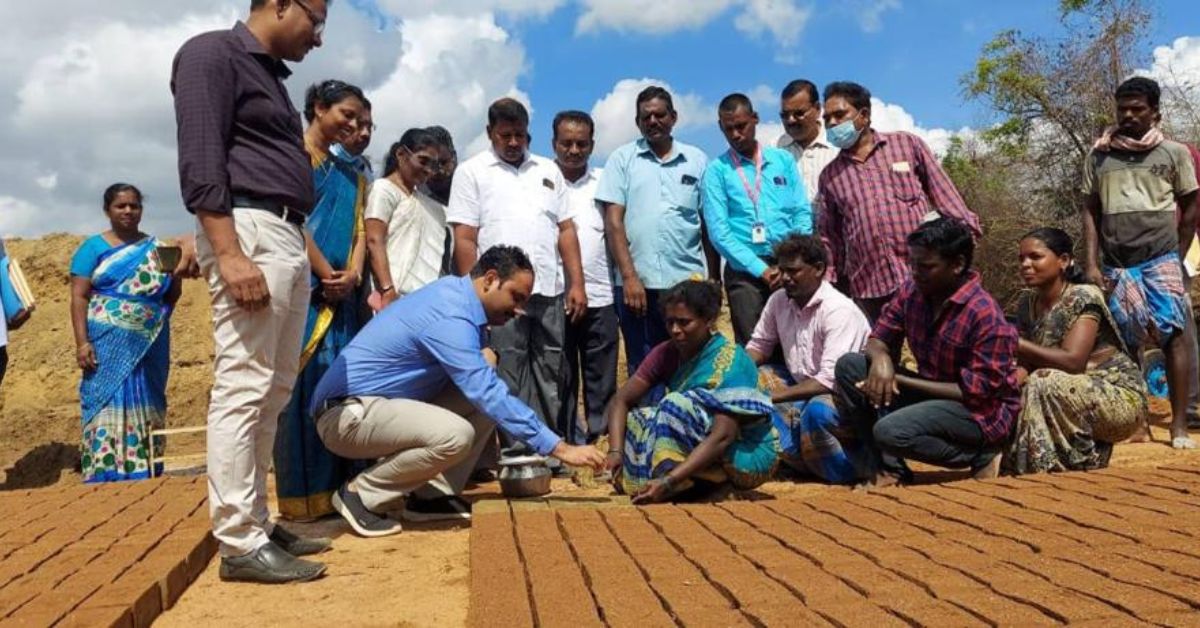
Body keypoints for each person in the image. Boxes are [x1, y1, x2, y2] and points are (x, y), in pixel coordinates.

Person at [172, 0, 332, 583]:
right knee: (245, 382)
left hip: (284, 233)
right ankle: (238, 538)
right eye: (314, 20)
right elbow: (202, 156)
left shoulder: (270, 77)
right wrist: (230, 250)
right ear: (281, 3)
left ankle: (258, 521)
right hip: (249, 230)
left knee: (274, 385)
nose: (318, 37)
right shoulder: (212, 53)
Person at [310, 246, 605, 536]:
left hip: (377, 408)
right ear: (490, 279)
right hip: (346, 415)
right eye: (515, 297)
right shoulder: (451, 312)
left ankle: (429, 494)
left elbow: (487, 391)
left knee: (488, 375)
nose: (518, 310)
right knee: (458, 431)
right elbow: (486, 393)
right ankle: (360, 494)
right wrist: (560, 448)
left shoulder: (458, 299)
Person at [447, 98, 588, 453]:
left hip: (549, 292)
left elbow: (566, 231)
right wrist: (473, 296)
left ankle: (550, 448)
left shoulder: (547, 170)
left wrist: (577, 284)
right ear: (489, 133)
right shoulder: (471, 171)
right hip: (499, 299)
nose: (513, 143)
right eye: (505, 135)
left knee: (550, 371)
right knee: (508, 371)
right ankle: (516, 451)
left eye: (520, 135)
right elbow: (465, 238)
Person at [834, 217, 1019, 487]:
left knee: (890, 432)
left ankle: (982, 454)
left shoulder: (985, 315)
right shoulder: (912, 292)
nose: (915, 273)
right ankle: (890, 470)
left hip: (979, 411)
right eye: (912, 264)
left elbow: (976, 393)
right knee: (851, 366)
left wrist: (898, 379)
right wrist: (882, 360)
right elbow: (878, 338)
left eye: (926, 266)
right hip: (931, 391)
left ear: (957, 264)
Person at [1081, 77, 1199, 450]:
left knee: (1174, 335)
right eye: (1122, 109)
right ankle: (1139, 424)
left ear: (1155, 112)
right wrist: (1092, 264)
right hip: (1117, 263)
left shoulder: (1173, 153)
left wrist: (1179, 257)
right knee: (1127, 340)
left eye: (1137, 109)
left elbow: (1191, 204)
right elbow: (1089, 211)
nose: (1129, 115)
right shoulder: (1099, 156)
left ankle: (1179, 426)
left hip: (1161, 256)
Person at [273, 79, 370, 521]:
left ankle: (341, 490)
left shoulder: (354, 174)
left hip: (343, 298)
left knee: (341, 391)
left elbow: (361, 231)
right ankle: (302, 496)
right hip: (306, 292)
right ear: (318, 108)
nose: (352, 124)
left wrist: (352, 271)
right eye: (346, 115)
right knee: (300, 393)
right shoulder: (292, 157)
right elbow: (294, 221)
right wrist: (322, 270)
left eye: (360, 119)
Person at [817, 81, 980, 321]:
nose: (832, 123)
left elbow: (944, 193)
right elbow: (830, 237)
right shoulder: (830, 176)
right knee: (880, 350)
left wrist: (965, 235)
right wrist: (832, 281)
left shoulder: (906, 144)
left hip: (924, 272)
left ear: (864, 116)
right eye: (827, 118)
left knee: (937, 346)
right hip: (870, 283)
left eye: (839, 115)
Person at [604, 280, 778, 503]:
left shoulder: (733, 361)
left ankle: (707, 481)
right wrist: (616, 452)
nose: (675, 330)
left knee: (673, 405)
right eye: (670, 322)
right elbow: (621, 400)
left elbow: (724, 435)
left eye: (684, 322)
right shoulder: (666, 353)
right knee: (641, 419)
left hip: (743, 452)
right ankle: (690, 482)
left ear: (708, 320)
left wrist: (669, 481)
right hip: (702, 439)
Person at [1005, 228, 1146, 474]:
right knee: (1016, 388)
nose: (1025, 264)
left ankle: (1052, 466)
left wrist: (1012, 342)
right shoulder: (1027, 304)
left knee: (1042, 382)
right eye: (1021, 259)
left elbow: (1073, 361)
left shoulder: (1083, 297)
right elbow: (1026, 361)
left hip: (1119, 398)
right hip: (1071, 392)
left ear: (1064, 261)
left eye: (1035, 257)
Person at [596, 86, 713, 377]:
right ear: (637, 122)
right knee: (644, 366)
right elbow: (613, 222)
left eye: (660, 115)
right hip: (639, 287)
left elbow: (707, 222)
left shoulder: (697, 160)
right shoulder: (622, 159)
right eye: (645, 117)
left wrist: (714, 279)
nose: (653, 121)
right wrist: (630, 277)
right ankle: (648, 423)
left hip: (687, 283)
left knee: (692, 364)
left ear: (673, 117)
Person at [70, 184, 181, 484]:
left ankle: (146, 468)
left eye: (134, 205)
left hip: (149, 341)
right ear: (108, 211)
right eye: (121, 206)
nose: (129, 211)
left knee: (148, 396)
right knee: (105, 397)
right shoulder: (91, 249)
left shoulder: (158, 249)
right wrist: (82, 342)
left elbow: (171, 293)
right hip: (105, 341)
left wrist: (149, 319)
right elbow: (79, 297)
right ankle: (106, 470)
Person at [746, 234, 870, 484]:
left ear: (818, 269)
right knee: (754, 379)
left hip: (845, 395)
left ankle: (846, 471)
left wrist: (767, 398)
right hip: (801, 387)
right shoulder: (778, 300)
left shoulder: (838, 310)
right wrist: (734, 374)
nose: (785, 278)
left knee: (817, 411)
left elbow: (828, 381)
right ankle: (800, 458)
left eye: (793, 271)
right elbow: (759, 346)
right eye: (782, 270)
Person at [702, 92, 813, 344]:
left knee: (797, 342)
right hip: (745, 273)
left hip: (789, 265)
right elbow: (719, 233)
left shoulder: (782, 160)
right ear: (720, 127)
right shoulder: (716, 171)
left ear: (755, 119)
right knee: (755, 345)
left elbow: (801, 211)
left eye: (741, 126)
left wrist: (795, 257)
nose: (735, 134)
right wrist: (761, 270)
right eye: (728, 129)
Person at [552, 111, 618, 445]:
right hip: (555, 296)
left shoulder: (605, 181)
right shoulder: (542, 180)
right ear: (555, 143)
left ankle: (602, 440)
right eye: (567, 143)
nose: (574, 150)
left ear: (592, 145)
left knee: (601, 376)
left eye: (582, 143)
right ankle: (564, 442)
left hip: (602, 294)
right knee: (561, 375)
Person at [364, 128, 447, 309]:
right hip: (388, 295)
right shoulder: (383, 189)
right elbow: (373, 240)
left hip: (422, 299)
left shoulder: (433, 207)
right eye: (423, 161)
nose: (427, 170)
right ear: (401, 154)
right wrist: (387, 289)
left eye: (433, 165)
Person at [777, 79, 837, 206]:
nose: (791, 120)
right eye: (785, 115)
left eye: (798, 113)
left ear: (817, 109)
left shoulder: (837, 147)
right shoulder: (774, 150)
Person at [332, 99, 374, 177]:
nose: (366, 133)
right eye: (360, 124)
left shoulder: (365, 169)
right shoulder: (319, 161)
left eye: (369, 127)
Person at [423, 125, 457, 208]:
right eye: (432, 164)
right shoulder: (413, 200)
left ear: (454, 157)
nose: (440, 170)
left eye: (444, 162)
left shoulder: (474, 190)